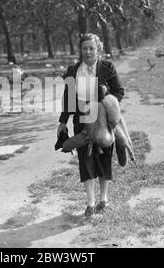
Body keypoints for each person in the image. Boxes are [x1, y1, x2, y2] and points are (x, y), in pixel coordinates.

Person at [57, 33, 125, 218]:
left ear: (98, 49)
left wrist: (107, 101)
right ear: (80, 50)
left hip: (103, 121)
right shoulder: (73, 71)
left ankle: (104, 199)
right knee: (85, 162)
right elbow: (68, 99)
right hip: (81, 123)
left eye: (92, 48)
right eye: (85, 48)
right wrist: (63, 122)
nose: (88, 52)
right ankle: (90, 203)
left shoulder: (107, 68)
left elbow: (119, 91)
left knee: (104, 159)